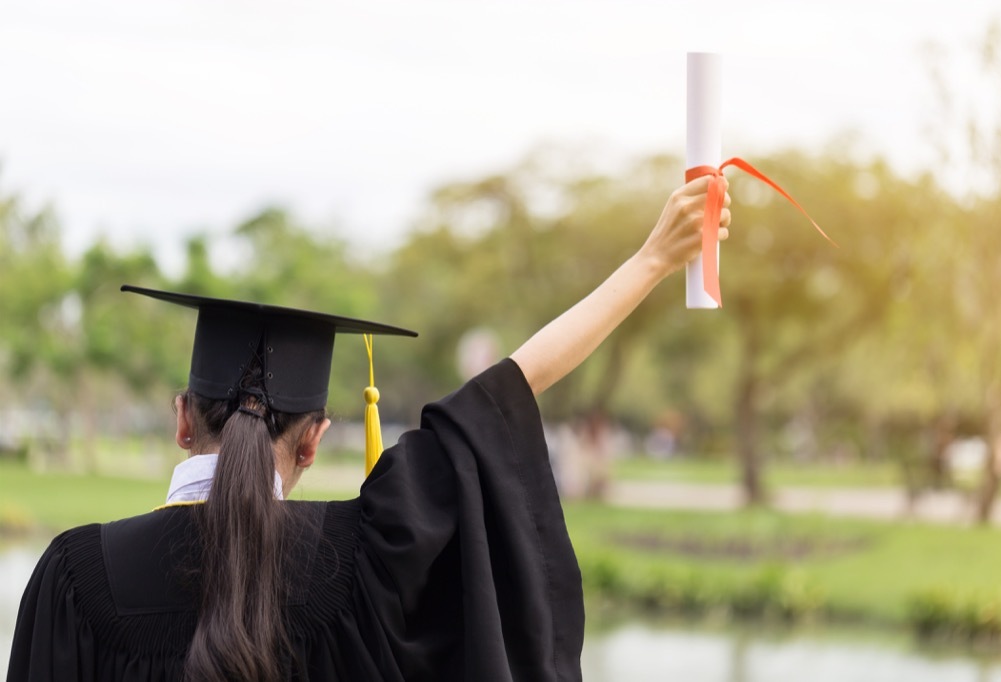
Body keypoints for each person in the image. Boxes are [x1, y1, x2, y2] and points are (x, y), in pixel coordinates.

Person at [7, 175, 731, 682]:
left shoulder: (75, 578)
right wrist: (652, 260)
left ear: (181, 420)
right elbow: (504, 392)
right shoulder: (367, 555)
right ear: (315, 440)